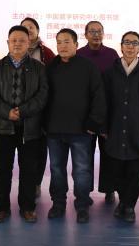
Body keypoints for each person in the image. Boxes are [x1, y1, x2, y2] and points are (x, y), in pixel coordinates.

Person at [0, 25, 48, 223]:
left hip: (30, 128)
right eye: (14, 40)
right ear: (8, 43)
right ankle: (2, 207)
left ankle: (27, 207)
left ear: (29, 43)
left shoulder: (39, 68)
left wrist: (23, 111)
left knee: (29, 169)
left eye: (22, 40)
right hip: (4, 126)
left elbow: (43, 95)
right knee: (2, 169)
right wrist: (7, 112)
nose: (17, 44)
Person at [45, 28, 106, 224]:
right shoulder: (50, 67)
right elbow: (43, 97)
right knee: (56, 169)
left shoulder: (88, 67)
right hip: (54, 130)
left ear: (76, 45)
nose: (62, 46)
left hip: (81, 130)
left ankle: (82, 205)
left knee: (81, 170)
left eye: (67, 42)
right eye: (59, 42)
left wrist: (93, 123)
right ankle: (58, 203)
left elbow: (98, 96)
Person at [103, 31, 139, 223]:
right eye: (127, 42)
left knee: (135, 172)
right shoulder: (110, 71)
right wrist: (104, 128)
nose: (130, 46)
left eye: (134, 43)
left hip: (137, 132)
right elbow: (104, 103)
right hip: (115, 130)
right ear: (121, 46)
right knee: (117, 170)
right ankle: (122, 202)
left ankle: (129, 206)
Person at [77, 20, 119, 204]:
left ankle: (109, 189)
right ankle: (84, 191)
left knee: (108, 153)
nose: (96, 34)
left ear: (103, 33)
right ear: (85, 34)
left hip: (107, 114)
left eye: (99, 31)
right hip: (84, 115)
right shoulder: (79, 54)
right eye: (92, 31)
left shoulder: (112, 54)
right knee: (84, 156)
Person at [20, 17, 55, 200]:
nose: (28, 29)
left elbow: (53, 81)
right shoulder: (15, 50)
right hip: (20, 110)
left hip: (41, 109)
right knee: (24, 151)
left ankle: (36, 184)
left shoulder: (46, 53)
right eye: (24, 27)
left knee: (40, 150)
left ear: (37, 31)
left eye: (31, 27)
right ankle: (25, 183)